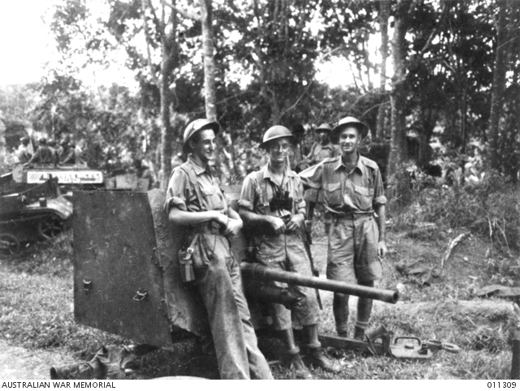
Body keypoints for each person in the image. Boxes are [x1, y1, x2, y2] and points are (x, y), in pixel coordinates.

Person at [165, 118, 273, 380]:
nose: (212, 146)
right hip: (205, 251)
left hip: (225, 250)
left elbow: (226, 208)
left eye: (214, 141)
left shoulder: (211, 174)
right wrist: (213, 216)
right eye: (206, 142)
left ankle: (265, 379)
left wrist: (233, 219)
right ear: (193, 144)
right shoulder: (183, 174)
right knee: (226, 322)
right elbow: (174, 215)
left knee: (242, 317)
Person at [239, 125, 341, 379]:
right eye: (275, 146)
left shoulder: (295, 179)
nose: (280, 151)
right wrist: (266, 221)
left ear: (289, 149)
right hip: (269, 248)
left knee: (306, 292)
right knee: (280, 299)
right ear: (267, 150)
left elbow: (303, 208)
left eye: (284, 146)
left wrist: (298, 217)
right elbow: (242, 213)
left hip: (294, 245)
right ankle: (293, 355)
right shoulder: (253, 181)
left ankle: (315, 350)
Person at [299, 116, 387, 341]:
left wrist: (382, 240)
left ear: (359, 140)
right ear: (338, 140)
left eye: (352, 137)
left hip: (367, 227)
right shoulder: (326, 168)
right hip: (339, 229)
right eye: (344, 137)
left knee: (367, 282)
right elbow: (299, 181)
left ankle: (359, 335)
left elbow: (380, 203)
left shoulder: (371, 168)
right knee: (340, 286)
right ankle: (341, 336)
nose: (347, 141)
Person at [304, 123, 342, 234]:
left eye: (325, 132)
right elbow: (310, 158)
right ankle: (307, 231)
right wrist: (308, 161)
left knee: (328, 206)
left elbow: (337, 163)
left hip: (327, 179)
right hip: (314, 179)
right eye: (320, 132)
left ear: (329, 134)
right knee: (309, 204)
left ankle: (328, 232)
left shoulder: (334, 148)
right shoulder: (315, 146)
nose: (322, 134)